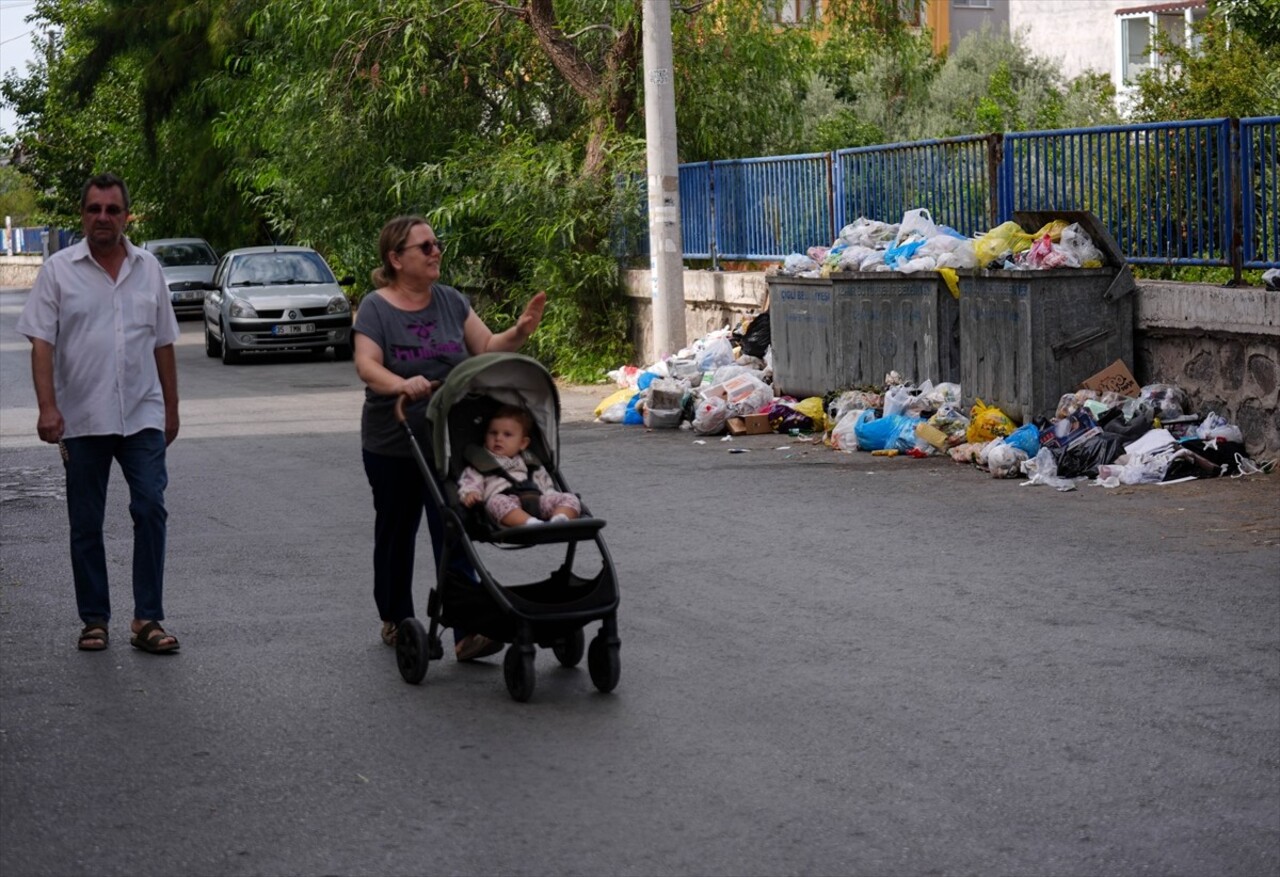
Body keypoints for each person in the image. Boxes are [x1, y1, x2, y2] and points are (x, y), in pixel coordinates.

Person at [353, 215, 546, 662]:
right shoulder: (376, 308)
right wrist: (400, 383)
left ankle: (466, 629)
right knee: (397, 530)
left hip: (448, 437)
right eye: (425, 247)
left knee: (453, 527)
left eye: (436, 244)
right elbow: (367, 364)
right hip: (394, 438)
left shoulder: (451, 301)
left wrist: (520, 331)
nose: (436, 251)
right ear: (396, 259)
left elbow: (486, 347)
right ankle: (396, 617)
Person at [15, 173, 182, 654]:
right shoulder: (58, 271)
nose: (103, 218)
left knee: (150, 508)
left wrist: (171, 408)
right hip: (82, 419)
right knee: (86, 522)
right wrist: (48, 407)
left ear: (126, 216)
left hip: (142, 415)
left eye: (112, 210)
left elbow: (164, 343)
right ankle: (95, 619)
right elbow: (41, 344)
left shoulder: (148, 269)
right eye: (94, 210)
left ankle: (147, 618)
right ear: (83, 215)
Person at [458, 405, 581, 528]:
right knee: (495, 502)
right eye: (493, 433)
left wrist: (552, 498)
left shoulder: (530, 462)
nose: (498, 438)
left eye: (507, 434)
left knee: (569, 497)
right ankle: (529, 523)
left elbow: (546, 485)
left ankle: (560, 519)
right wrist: (471, 493)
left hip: (537, 501)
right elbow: (469, 483)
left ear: (523, 443)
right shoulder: (481, 463)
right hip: (506, 505)